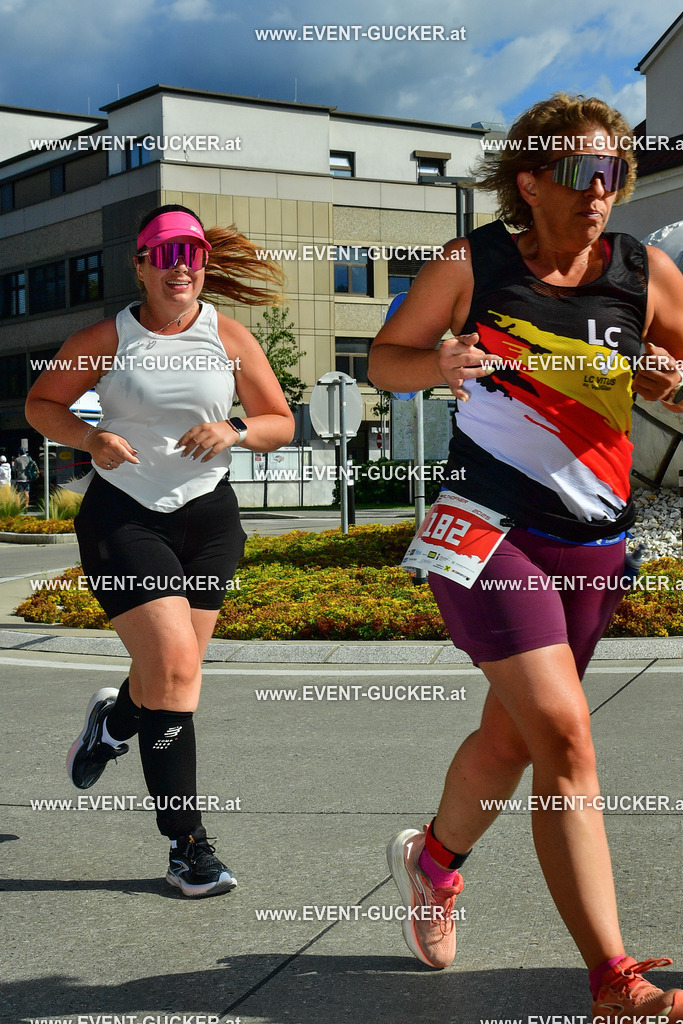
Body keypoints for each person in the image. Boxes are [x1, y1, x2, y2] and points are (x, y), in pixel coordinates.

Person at [369, 94, 683, 1022]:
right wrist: (441, 364)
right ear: (531, 180)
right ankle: (613, 982)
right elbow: (385, 358)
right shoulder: (471, 264)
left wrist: (674, 378)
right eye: (583, 173)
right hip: (482, 527)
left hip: (592, 539)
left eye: (614, 173)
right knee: (566, 739)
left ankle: (431, 863)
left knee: (515, 740)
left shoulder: (644, 272)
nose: (602, 192)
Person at [25, 204, 294, 897]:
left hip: (208, 521)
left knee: (170, 679)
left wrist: (235, 428)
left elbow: (279, 421)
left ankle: (114, 722)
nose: (181, 266)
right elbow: (41, 406)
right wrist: (90, 440)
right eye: (165, 254)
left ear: (204, 263)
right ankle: (186, 845)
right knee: (174, 670)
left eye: (193, 253)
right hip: (124, 515)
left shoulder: (229, 337)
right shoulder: (105, 340)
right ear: (140, 264)